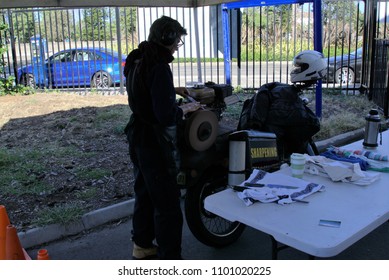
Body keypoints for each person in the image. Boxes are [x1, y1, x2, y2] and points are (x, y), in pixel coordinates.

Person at [123, 16, 199, 260]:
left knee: (144, 193)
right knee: (167, 205)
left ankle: (142, 245)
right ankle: (170, 260)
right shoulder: (159, 66)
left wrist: (171, 90)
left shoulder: (138, 57)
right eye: (177, 39)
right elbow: (165, 116)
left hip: (137, 135)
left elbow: (142, 89)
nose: (178, 44)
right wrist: (186, 109)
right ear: (167, 37)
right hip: (154, 142)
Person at [237, 50, 327, 158]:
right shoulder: (291, 102)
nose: (295, 69)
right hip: (276, 153)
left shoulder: (275, 88)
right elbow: (312, 127)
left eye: (299, 67)